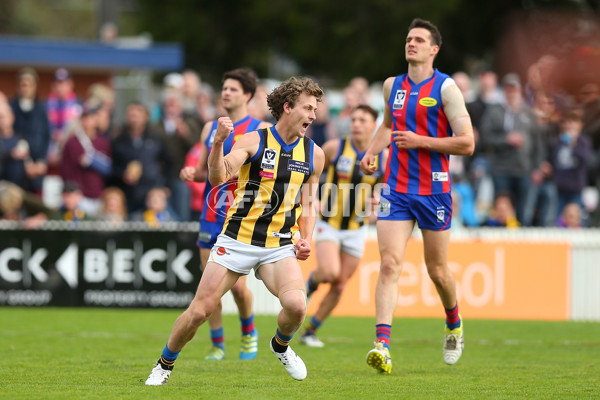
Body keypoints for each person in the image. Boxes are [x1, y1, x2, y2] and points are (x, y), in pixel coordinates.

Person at [145, 76, 325, 385]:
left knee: (296, 307)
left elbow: (309, 204)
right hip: (237, 240)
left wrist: (306, 238)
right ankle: (163, 365)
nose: (313, 116)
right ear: (287, 108)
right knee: (200, 312)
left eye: (314, 109)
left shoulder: (314, 154)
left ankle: (280, 345)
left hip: (278, 246)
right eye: (308, 108)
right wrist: (217, 143)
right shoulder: (254, 140)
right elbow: (218, 177)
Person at [358, 18, 474, 374]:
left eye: (419, 40)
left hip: (434, 191)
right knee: (390, 264)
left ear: (433, 49)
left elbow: (467, 143)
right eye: (409, 38)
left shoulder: (447, 89)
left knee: (437, 270)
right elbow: (389, 125)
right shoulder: (391, 86)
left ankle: (453, 324)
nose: (411, 43)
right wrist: (372, 151)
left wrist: (421, 141)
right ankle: (383, 345)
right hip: (396, 189)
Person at [179, 68, 271, 361]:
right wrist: (191, 173)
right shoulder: (209, 128)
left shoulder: (260, 129)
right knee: (209, 285)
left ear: (247, 95)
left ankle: (248, 332)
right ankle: (217, 344)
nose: (226, 92)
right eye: (224, 87)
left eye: (233, 89)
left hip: (239, 214)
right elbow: (208, 170)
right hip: (210, 211)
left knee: (239, 288)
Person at [300, 104, 386, 348]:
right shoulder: (335, 148)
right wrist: (312, 197)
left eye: (362, 120)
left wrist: (379, 204)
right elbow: (310, 171)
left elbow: (386, 190)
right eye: (354, 119)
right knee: (328, 272)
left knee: (339, 284)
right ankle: (311, 284)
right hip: (329, 222)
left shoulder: (383, 156)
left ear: (374, 125)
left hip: (356, 228)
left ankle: (310, 331)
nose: (356, 124)